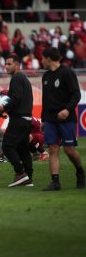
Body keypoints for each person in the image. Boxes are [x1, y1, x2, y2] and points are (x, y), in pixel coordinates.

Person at [41, 47, 84, 191]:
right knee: (53, 149)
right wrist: (43, 119)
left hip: (67, 118)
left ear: (48, 58)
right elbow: (45, 99)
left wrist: (67, 109)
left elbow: (76, 94)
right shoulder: (45, 76)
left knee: (69, 149)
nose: (41, 61)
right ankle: (55, 182)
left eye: (42, 58)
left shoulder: (67, 73)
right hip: (50, 119)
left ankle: (80, 172)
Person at [0, 54, 33, 187]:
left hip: (19, 119)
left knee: (7, 146)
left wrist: (4, 108)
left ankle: (20, 174)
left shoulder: (17, 78)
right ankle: (28, 178)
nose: (6, 67)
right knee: (23, 149)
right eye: (5, 64)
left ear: (17, 65)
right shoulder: (23, 78)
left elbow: (16, 98)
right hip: (26, 119)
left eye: (9, 64)